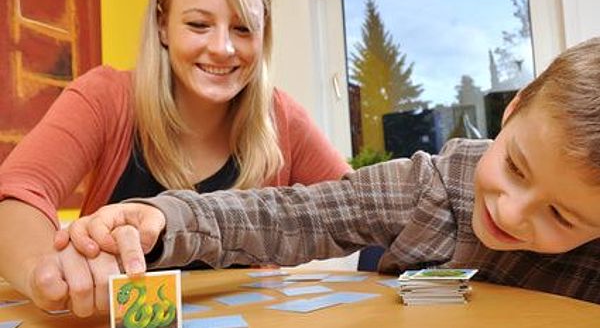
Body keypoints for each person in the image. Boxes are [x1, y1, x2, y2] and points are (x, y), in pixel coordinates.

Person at [61, 37, 600, 305]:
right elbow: (294, 214)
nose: (511, 210)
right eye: (514, 166)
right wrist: (165, 218)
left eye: (561, 215)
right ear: (513, 108)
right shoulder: (433, 185)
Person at [0, 0, 350, 318]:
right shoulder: (105, 98)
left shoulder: (282, 118)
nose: (223, 47)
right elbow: (17, 192)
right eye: (198, 24)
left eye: (243, 28)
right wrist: (41, 269)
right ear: (162, 25)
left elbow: (357, 206)